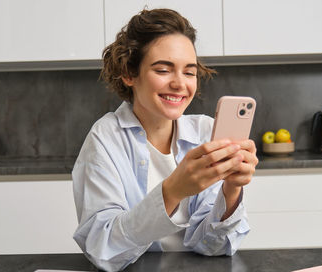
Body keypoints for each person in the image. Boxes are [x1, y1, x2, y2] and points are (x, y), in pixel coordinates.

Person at [72, 8, 258, 272]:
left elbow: (213, 246)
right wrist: (173, 192)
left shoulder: (207, 132)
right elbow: (103, 251)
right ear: (129, 73)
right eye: (163, 70)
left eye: (189, 72)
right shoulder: (104, 140)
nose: (179, 84)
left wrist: (231, 189)